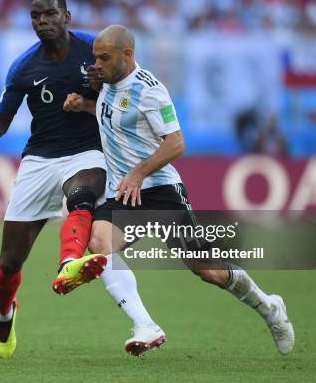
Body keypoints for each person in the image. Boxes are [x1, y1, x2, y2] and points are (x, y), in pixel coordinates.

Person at [64, 24, 295, 356]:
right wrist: (84, 105)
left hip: (159, 191)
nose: (96, 64)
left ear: (127, 55)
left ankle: (269, 307)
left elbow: (176, 142)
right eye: (95, 57)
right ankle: (144, 325)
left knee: (209, 271)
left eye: (104, 57)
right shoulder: (106, 85)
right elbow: (115, 116)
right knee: (100, 244)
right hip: (124, 195)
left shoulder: (151, 91)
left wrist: (139, 173)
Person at [0, 0, 110, 359]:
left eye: (49, 14)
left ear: (67, 16)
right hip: (39, 161)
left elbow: (125, 92)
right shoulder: (23, 68)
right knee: (9, 262)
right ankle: (5, 312)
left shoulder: (94, 50)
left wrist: (100, 89)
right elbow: (3, 120)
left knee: (83, 192)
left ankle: (69, 265)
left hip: (87, 151)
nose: (42, 21)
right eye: (35, 16)